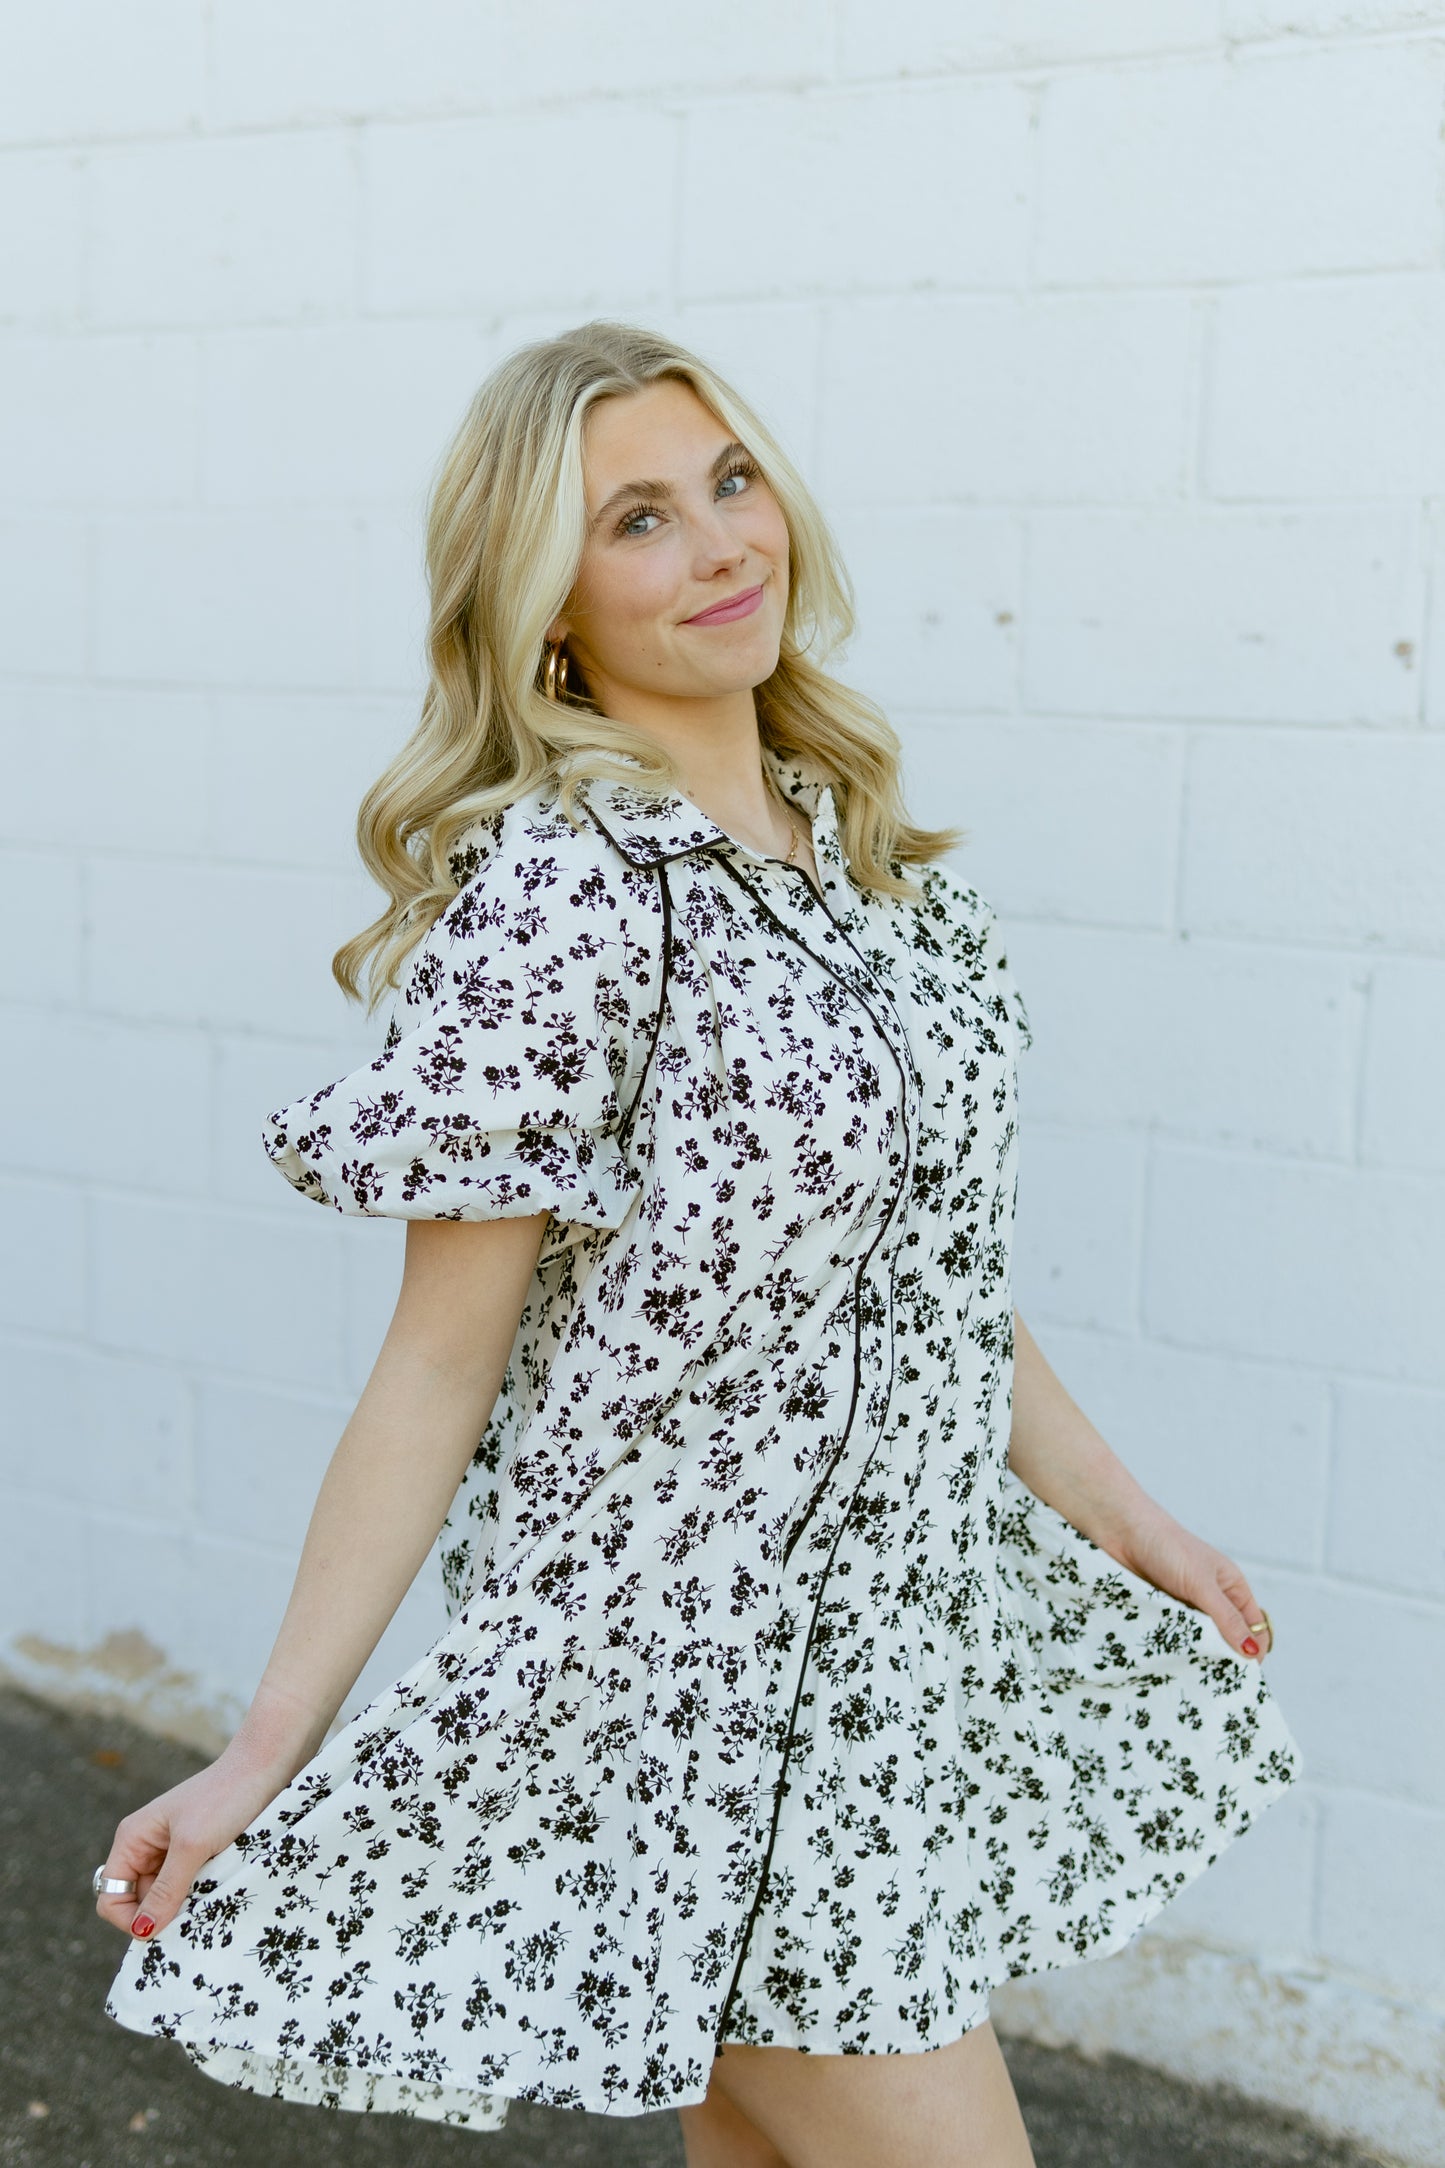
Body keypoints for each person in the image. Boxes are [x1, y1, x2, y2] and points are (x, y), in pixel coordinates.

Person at [96, 321, 1302, 2168]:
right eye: (638, 521)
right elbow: (437, 1363)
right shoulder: (569, 896)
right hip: (688, 1704)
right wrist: (274, 1740)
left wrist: (1132, 1523)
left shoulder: (866, 859)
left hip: (881, 1667)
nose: (722, 545)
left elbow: (929, 1275)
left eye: (728, 483)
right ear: (545, 605)